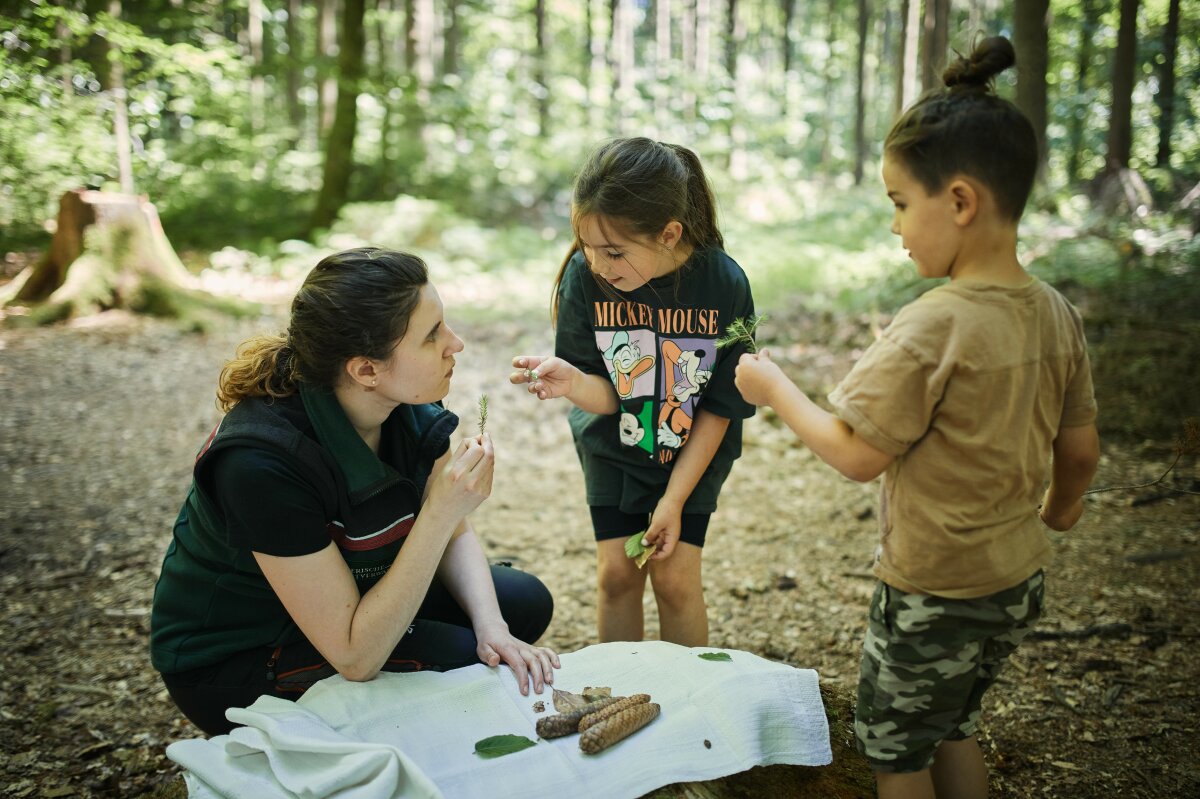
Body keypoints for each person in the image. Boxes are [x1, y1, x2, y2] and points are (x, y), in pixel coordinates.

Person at [733, 38, 1100, 799]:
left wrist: (774, 388)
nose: (896, 227)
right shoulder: (1054, 312)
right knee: (951, 723)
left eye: (901, 204)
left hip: (937, 589)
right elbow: (1082, 448)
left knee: (897, 747)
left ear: (960, 201)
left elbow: (857, 452)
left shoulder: (935, 324)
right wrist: (1059, 513)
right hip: (1015, 580)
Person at [150, 247, 559, 736]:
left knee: (519, 607)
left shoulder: (404, 406)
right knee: (462, 665)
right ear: (366, 370)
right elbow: (354, 656)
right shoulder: (260, 463)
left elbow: (454, 533)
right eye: (432, 336)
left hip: (347, 603)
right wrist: (439, 512)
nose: (457, 344)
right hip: (241, 659)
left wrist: (494, 629)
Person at [510, 137, 756, 647]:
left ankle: (691, 704)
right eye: (588, 248)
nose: (599, 265)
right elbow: (609, 395)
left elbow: (720, 408)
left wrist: (673, 499)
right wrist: (574, 383)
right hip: (613, 448)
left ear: (669, 234)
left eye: (614, 251)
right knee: (617, 576)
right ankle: (620, 697)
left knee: (674, 579)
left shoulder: (724, 284)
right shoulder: (586, 278)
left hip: (694, 451)